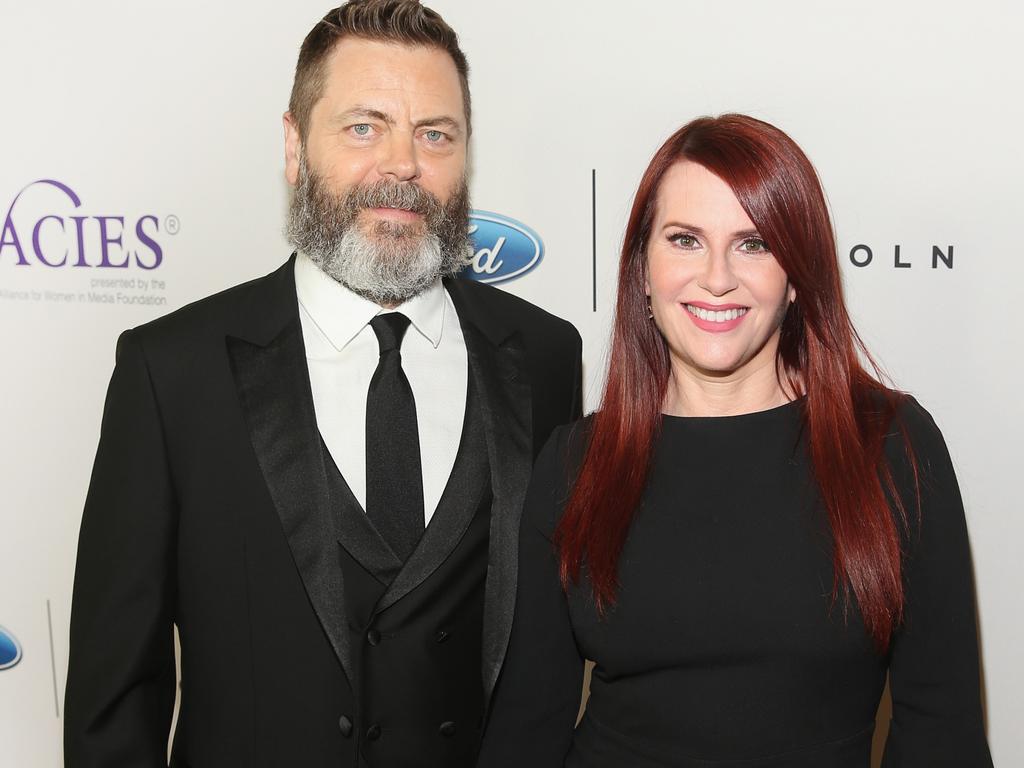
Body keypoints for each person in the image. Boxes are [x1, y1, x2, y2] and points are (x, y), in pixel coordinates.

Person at [63, 2, 582, 766]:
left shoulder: (542, 354)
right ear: (295, 144)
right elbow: (116, 702)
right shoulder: (172, 372)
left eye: (435, 133)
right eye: (364, 126)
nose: (403, 166)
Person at [477, 114, 992, 768]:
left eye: (754, 244)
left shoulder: (891, 446)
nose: (716, 278)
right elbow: (527, 731)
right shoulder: (576, 463)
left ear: (797, 275)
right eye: (685, 240)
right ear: (642, 269)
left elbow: (942, 733)